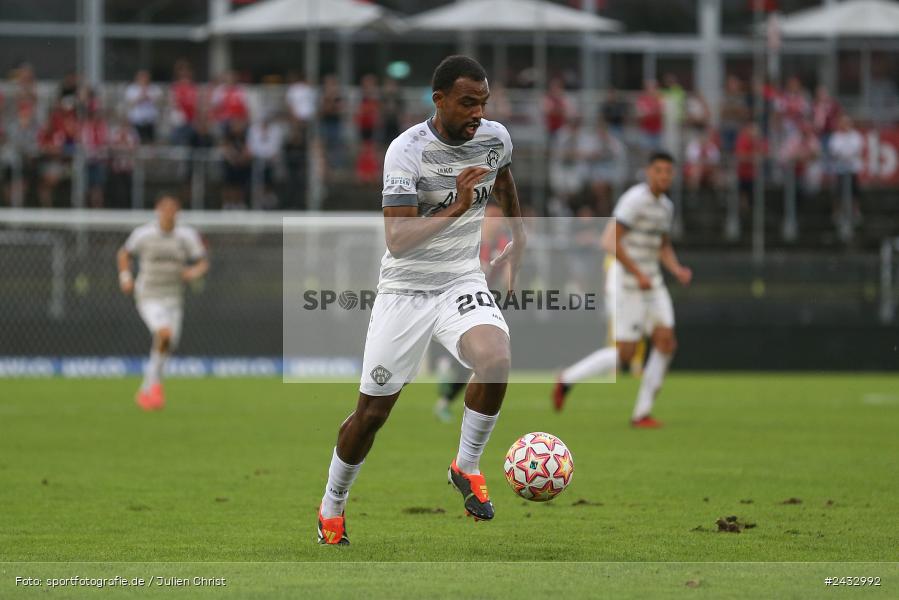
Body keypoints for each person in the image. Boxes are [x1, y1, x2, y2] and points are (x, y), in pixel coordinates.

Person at [317, 55, 526, 545]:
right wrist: (458, 205)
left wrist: (519, 239)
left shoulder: (495, 138)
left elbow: (504, 180)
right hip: (405, 290)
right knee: (371, 415)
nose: (478, 112)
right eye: (467, 102)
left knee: (495, 360)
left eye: (483, 102)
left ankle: (466, 466)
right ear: (440, 100)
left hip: (461, 280)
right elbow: (398, 240)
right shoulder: (405, 151)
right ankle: (332, 504)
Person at [551, 151, 692, 428]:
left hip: (652, 282)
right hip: (628, 283)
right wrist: (638, 273)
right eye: (659, 170)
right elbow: (608, 241)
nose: (664, 176)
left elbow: (662, 245)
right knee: (626, 354)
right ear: (648, 172)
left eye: (668, 171)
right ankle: (567, 379)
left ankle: (642, 413)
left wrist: (676, 269)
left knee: (666, 342)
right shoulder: (634, 200)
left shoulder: (666, 207)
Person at [117, 194, 209, 410]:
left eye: (172, 210)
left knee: (166, 345)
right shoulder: (144, 234)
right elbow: (124, 254)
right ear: (157, 211)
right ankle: (156, 387)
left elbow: (202, 262)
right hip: (149, 295)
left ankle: (146, 389)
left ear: (178, 213)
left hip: (174, 297)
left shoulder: (186, 236)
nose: (169, 214)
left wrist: (193, 272)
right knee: (164, 334)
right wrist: (125, 277)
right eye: (165, 209)